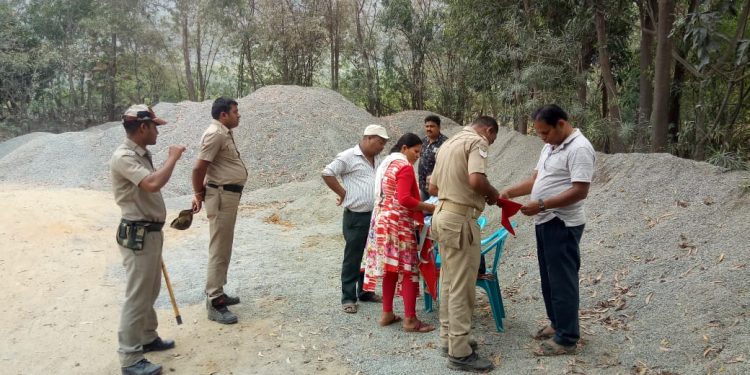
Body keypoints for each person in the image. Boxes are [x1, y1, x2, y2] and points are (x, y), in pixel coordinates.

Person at [499, 104, 595, 356]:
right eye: (539, 133)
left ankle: (567, 338)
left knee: (562, 281)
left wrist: (541, 203)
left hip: (562, 223)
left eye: (546, 132)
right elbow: (535, 180)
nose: (542, 138)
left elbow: (579, 190)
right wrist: (511, 191)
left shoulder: (580, 148)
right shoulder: (549, 147)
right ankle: (557, 323)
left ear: (561, 124)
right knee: (549, 279)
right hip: (545, 221)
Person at [110, 104, 185, 375]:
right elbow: (152, 184)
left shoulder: (141, 154)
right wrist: (173, 158)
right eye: (155, 126)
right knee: (137, 296)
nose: (157, 132)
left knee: (150, 290)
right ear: (143, 127)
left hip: (149, 232)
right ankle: (130, 359)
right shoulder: (124, 156)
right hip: (138, 233)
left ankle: (146, 337)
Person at [429, 116, 501, 372]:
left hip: (442, 215)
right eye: (492, 138)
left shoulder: (447, 144)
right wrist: (493, 195)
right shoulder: (476, 142)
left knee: (449, 280)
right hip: (460, 219)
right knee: (462, 286)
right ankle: (460, 353)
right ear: (489, 131)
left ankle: (449, 338)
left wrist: (453, 192)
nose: (489, 142)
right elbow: (476, 180)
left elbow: (433, 185)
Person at [362, 133, 436, 332]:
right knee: (409, 270)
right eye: (415, 151)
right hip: (398, 224)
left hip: (382, 220)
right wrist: (429, 208)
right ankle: (410, 320)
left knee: (390, 269)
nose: (418, 156)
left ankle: (387, 313)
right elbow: (404, 199)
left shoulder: (387, 165)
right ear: (404, 148)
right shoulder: (403, 166)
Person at [191, 97, 248, 325]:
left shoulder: (223, 132)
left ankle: (219, 291)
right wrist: (197, 193)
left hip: (228, 195)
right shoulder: (215, 134)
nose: (238, 115)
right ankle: (214, 301)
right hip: (222, 196)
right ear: (223, 114)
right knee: (219, 247)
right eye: (235, 111)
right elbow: (198, 167)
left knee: (224, 246)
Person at [322, 124, 389, 314]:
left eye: (384, 143)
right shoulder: (348, 156)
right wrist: (343, 193)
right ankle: (348, 297)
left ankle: (366, 291)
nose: (382, 146)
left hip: (375, 215)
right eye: (380, 142)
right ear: (368, 138)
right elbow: (327, 173)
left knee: (371, 255)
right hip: (356, 216)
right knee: (353, 257)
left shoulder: (377, 159)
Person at [418, 115, 448, 200]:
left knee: (434, 211)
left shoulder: (445, 143)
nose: (429, 129)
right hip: (423, 185)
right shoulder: (423, 141)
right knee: (423, 210)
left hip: (437, 187)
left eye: (432, 126)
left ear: (439, 127)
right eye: (427, 126)